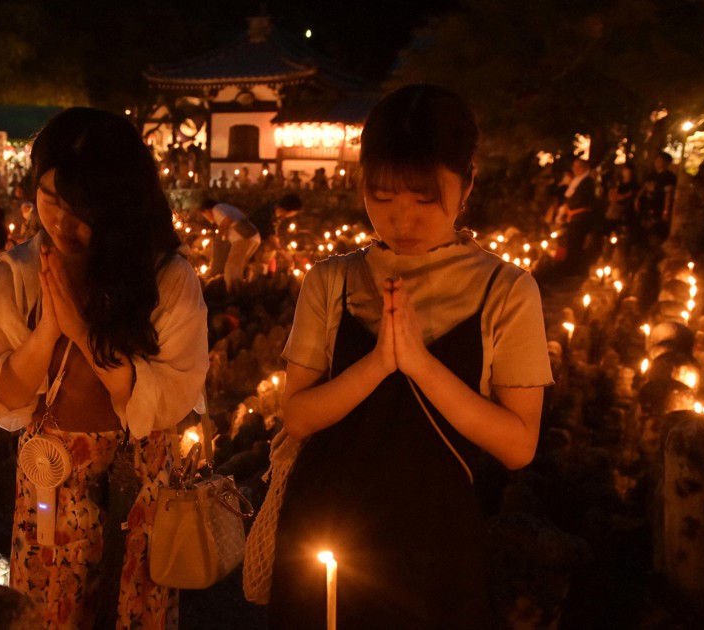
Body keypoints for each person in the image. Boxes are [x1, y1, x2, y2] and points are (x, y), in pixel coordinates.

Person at [269, 84, 552, 628]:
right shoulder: (332, 280)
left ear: (468, 182)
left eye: (425, 199)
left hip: (434, 544)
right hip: (326, 532)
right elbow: (298, 416)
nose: (402, 219)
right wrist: (378, 362)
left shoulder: (506, 290)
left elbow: (518, 445)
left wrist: (420, 362)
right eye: (382, 195)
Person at [0, 107, 208, 629]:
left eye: (82, 208)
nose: (61, 222)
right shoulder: (16, 275)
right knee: (49, 605)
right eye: (50, 200)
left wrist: (85, 334)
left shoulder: (167, 278)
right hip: (50, 479)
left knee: (127, 602)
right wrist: (47, 334)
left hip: (137, 485)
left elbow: (171, 398)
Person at [199, 198, 259, 292]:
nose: (207, 218)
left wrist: (220, 233)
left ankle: (232, 295)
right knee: (238, 269)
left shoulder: (216, 209)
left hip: (244, 239)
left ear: (206, 210)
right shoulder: (225, 207)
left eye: (204, 215)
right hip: (253, 237)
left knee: (230, 269)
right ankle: (240, 294)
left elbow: (227, 220)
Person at [557, 158, 599, 272]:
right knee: (571, 242)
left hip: (581, 217)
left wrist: (570, 204)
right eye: (573, 167)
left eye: (578, 167)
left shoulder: (587, 182)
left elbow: (579, 199)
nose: (575, 169)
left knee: (576, 243)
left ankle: (573, 268)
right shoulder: (577, 180)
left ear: (584, 168)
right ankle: (568, 265)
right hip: (574, 217)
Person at [636, 152, 677, 242]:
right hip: (648, 206)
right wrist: (637, 199)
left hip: (659, 207)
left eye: (660, 160)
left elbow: (668, 194)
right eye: (656, 160)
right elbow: (644, 188)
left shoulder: (669, 176)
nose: (657, 162)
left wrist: (666, 211)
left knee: (656, 231)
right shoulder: (651, 175)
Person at [607, 164, 639, 232]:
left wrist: (619, 197)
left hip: (626, 208)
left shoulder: (634, 184)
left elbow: (626, 196)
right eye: (624, 170)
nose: (625, 172)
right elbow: (613, 193)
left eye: (627, 170)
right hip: (615, 206)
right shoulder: (619, 183)